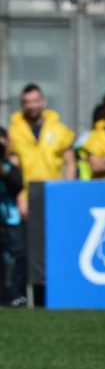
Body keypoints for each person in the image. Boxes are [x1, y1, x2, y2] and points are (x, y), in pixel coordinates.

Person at [7, 83, 76, 220]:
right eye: (27, 102)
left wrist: (67, 190)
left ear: (43, 102)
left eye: (35, 101)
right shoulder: (14, 132)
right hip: (28, 196)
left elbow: (70, 163)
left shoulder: (59, 129)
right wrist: (20, 196)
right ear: (22, 104)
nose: (32, 106)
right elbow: (12, 167)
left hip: (54, 192)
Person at [0, 127, 27, 308]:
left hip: (10, 218)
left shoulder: (10, 165)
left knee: (20, 253)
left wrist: (4, 169)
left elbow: (17, 185)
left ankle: (16, 293)